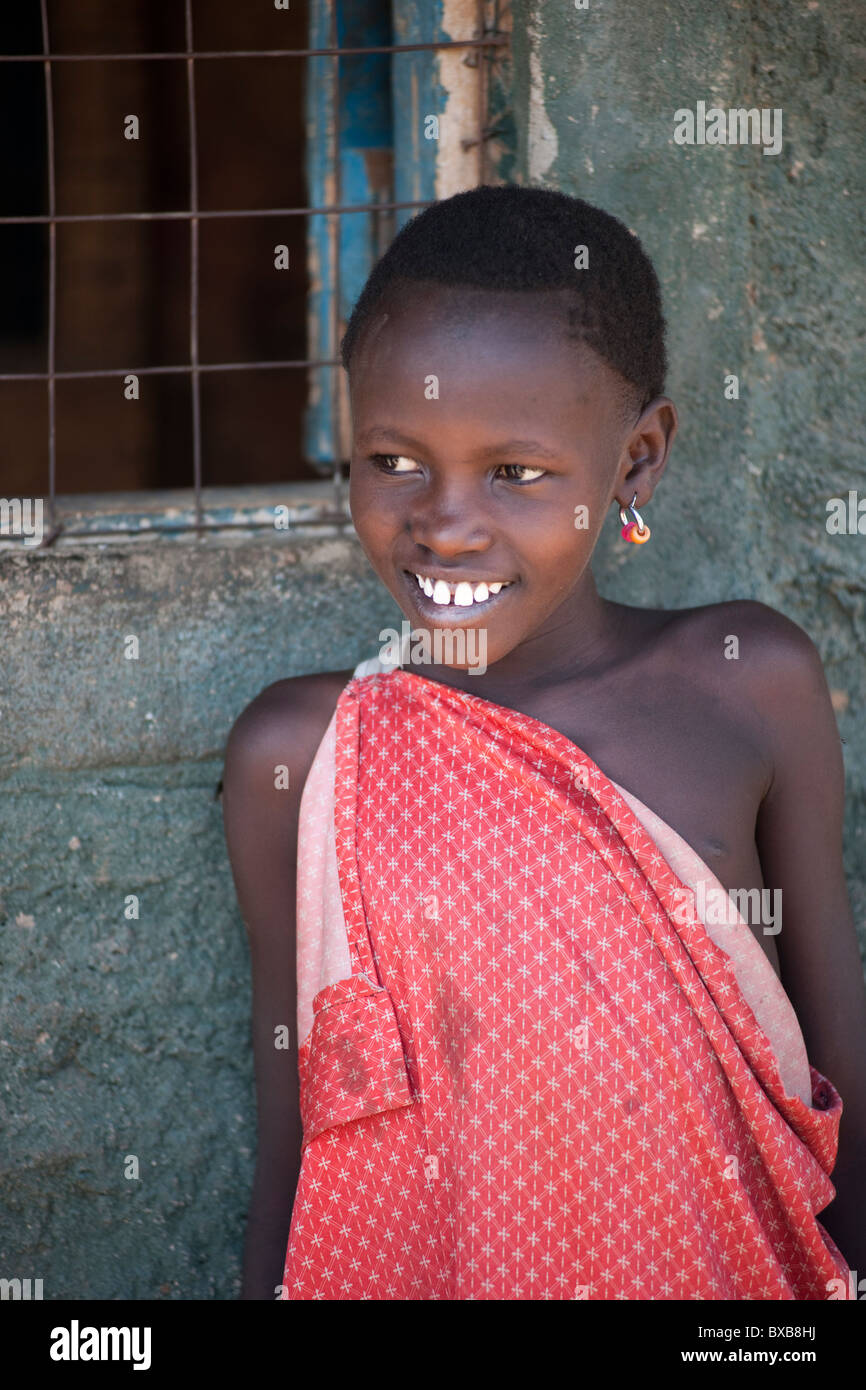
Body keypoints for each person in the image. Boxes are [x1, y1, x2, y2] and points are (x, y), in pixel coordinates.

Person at [222, 185, 866, 1300]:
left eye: (513, 473)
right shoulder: (305, 754)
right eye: (393, 459)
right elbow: (297, 1149)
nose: (444, 520)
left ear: (634, 463)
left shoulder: (746, 685)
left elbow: (838, 1073)